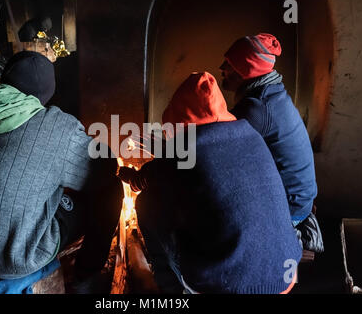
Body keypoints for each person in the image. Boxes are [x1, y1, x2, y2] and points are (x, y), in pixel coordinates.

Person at [0, 51, 122, 294]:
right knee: (111, 190)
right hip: (15, 258)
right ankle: (86, 278)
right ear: (48, 90)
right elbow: (104, 170)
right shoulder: (57, 126)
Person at [119, 72, 302, 294]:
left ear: (178, 114)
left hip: (229, 287)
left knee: (147, 203)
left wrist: (126, 176)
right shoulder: (251, 135)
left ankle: (169, 290)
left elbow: (147, 179)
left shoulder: (183, 151)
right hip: (284, 275)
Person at [219, 33, 317, 226]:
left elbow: (214, 145)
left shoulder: (258, 108)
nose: (221, 69)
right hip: (299, 199)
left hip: (289, 210)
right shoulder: (272, 94)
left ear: (244, 72)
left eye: (229, 64)